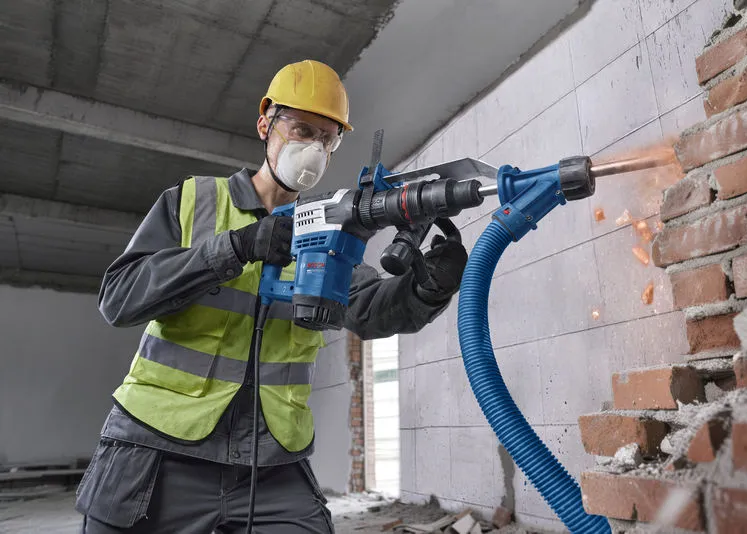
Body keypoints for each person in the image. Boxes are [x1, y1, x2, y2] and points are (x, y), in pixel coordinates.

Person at [75, 59, 467, 533]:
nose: (315, 148)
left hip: (271, 461)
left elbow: (368, 310)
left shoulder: (327, 226)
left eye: (327, 138)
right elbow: (119, 298)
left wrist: (428, 287)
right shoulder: (194, 201)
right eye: (302, 129)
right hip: (158, 451)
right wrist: (236, 247)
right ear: (265, 123)